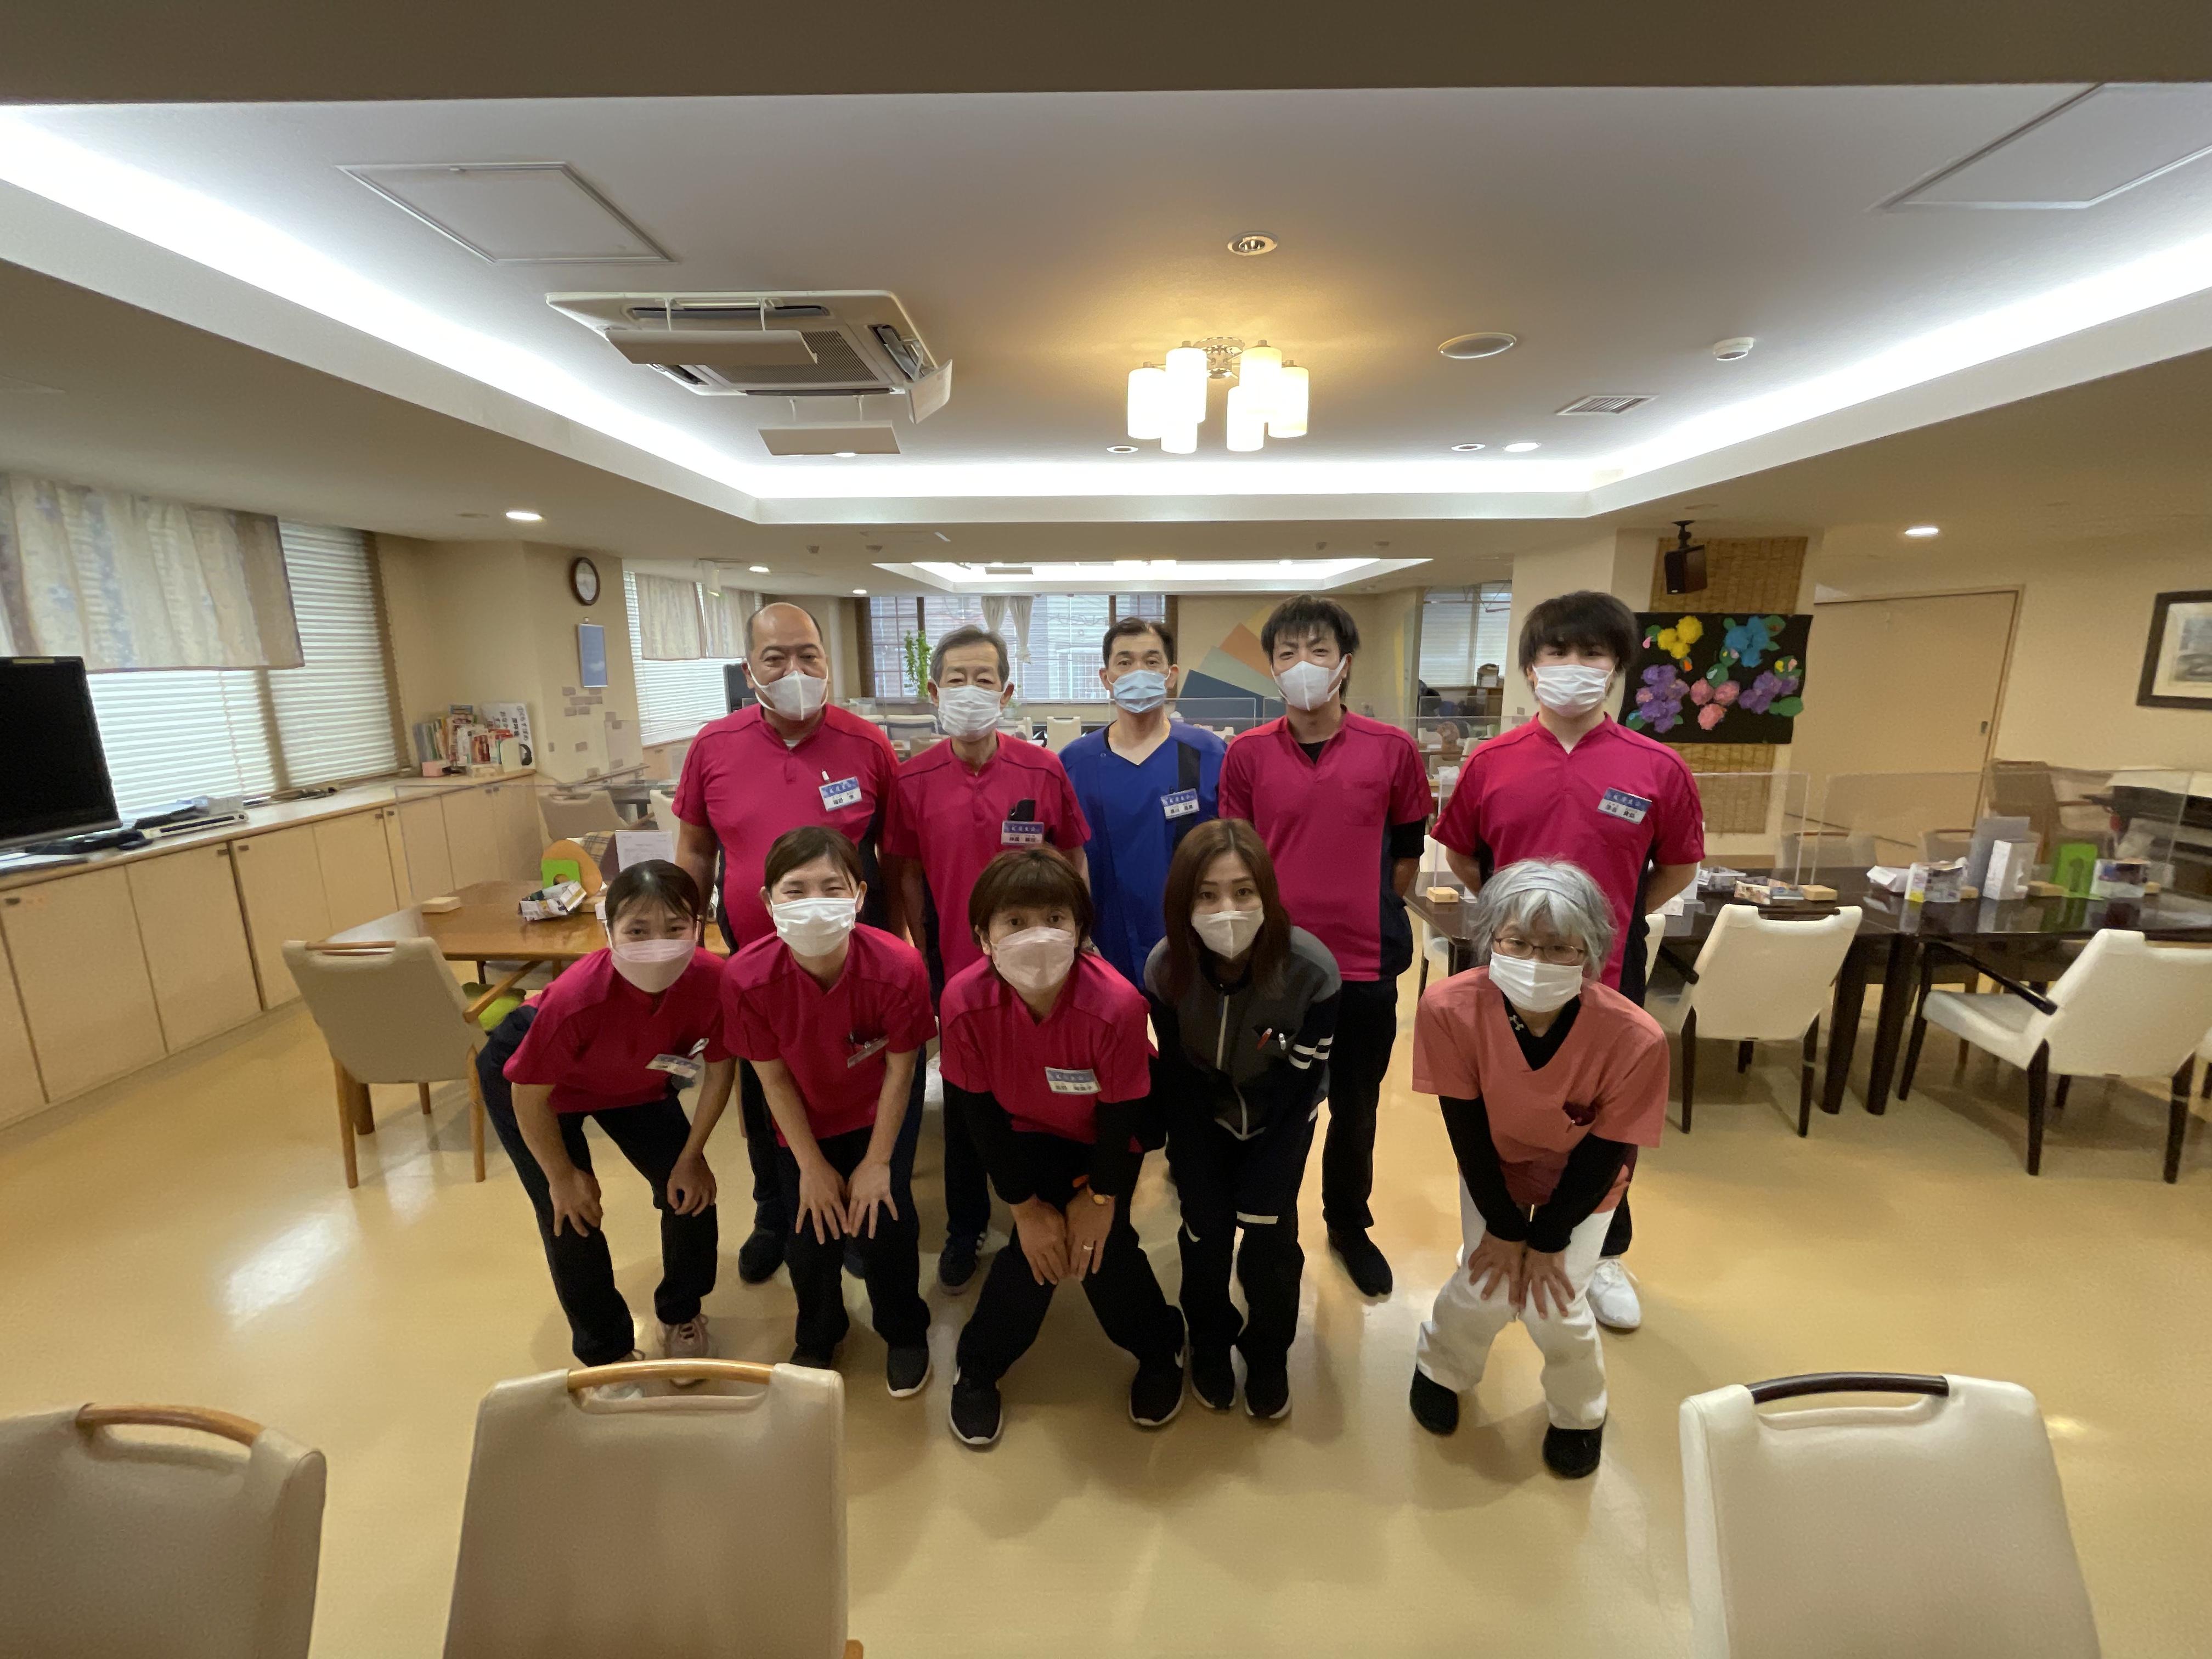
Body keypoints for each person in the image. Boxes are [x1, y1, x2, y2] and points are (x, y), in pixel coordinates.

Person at [1431, 589, 1703, 1333]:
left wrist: (1603, 927)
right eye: (1557, 653)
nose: (1573, 666)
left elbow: (1678, 866)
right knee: (1497, 1102)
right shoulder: (1491, 762)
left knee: (1612, 1115)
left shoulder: (1657, 767)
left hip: (1606, 973)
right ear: (1530, 667)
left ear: (1616, 667)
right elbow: (1462, 855)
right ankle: (1493, 1227)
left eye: (1592, 653)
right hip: (1508, 970)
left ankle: (1604, 1251)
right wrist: (1520, 928)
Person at [1406, 860, 1668, 1479]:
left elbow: (1606, 1153)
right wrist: (1503, 1228)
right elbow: (1466, 1131)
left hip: (1582, 1183)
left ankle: (1580, 1413)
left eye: (1559, 948)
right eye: (1517, 942)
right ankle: (1440, 1368)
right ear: (1490, 939)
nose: (1535, 960)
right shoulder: (1450, 1008)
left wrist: (1547, 1239)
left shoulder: (1635, 1039)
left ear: (1590, 953)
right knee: (1488, 1284)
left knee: (1555, 1301)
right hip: (1494, 1167)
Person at [673, 601, 903, 1288]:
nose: (794, 669)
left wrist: (899, 942)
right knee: (763, 1082)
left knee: (855, 1077)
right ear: (750, 671)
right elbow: (695, 848)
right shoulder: (714, 746)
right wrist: (687, 939)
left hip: (850, 961)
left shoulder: (868, 744)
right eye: (775, 658)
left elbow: (893, 856)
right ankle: (773, 1212)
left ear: (828, 663)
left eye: (808, 655)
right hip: (755, 965)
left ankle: (857, 1213)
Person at [1217, 594, 1433, 1299]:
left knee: (1356, 1108)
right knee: (1274, 1104)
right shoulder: (1247, 754)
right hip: (1275, 971)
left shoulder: (1392, 750)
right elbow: (1236, 859)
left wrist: (1363, 904)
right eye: (1287, 653)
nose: (1302, 664)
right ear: (1272, 667)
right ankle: (1266, 1225)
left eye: (1317, 650)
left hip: (1365, 966)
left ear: (1344, 663)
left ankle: (1348, 1224)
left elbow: (1407, 854)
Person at [940, 848, 1186, 1447]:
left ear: (1080, 930)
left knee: (1098, 1249)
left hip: (1105, 1137)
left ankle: (1160, 1349)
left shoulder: (1117, 1005)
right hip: (1025, 1133)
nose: (1037, 936)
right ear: (983, 936)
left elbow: (1123, 1111)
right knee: (1036, 1252)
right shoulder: (963, 1002)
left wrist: (1101, 1198)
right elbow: (978, 1114)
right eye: (1015, 922)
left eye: (1055, 918)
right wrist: (1025, 1209)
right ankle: (978, 1367)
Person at [885, 625, 1091, 1294]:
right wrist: (925, 955)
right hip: (958, 969)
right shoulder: (913, 778)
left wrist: (1076, 939)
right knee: (968, 1103)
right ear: (933, 690)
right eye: (957, 679)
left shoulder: (1042, 770)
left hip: (1043, 962)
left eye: (984, 679)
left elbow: (1073, 856)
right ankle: (966, 1225)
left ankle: (1051, 1204)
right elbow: (906, 872)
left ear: (1006, 692)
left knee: (1043, 1083)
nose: (970, 691)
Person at [477, 860, 733, 1371]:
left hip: (635, 1080)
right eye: (637, 930)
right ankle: (605, 1350)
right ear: (609, 930)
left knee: (692, 1193)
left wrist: (692, 1156)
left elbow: (722, 1070)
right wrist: (561, 1176)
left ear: (698, 927)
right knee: (571, 1213)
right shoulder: (578, 999)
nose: (657, 944)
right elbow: (528, 1096)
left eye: (675, 928)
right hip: (541, 1086)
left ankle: (681, 1311)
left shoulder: (714, 982)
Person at [724, 826, 936, 1395]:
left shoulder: (899, 967)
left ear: (860, 896)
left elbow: (901, 1071)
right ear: (768, 900)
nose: (814, 903)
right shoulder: (746, 977)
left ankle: (904, 1331)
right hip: (803, 1119)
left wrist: (877, 1163)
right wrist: (812, 1165)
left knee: (886, 1221)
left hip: (877, 1111)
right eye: (795, 890)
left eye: (832, 887)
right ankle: (819, 1334)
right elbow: (772, 1079)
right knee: (808, 1231)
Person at [1144, 819, 1339, 1420]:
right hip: (1202, 1116)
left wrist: (1270, 1176)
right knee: (1203, 1235)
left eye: (1243, 891)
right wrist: (1193, 1166)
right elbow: (1176, 1080)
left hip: (1282, 1117)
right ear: (1184, 903)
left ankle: (1268, 1351)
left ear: (1266, 895)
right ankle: (1209, 1343)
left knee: (1270, 1237)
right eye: (1207, 894)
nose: (1226, 908)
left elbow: (1302, 1086)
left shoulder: (1313, 973)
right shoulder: (1165, 970)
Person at [1058, 615, 1225, 985]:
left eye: (1151, 662)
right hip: (1100, 943)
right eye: (1125, 662)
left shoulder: (1208, 754)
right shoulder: (1074, 763)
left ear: (1171, 675)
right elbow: (1063, 859)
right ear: (1106, 678)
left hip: (1195, 942)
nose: (1138, 672)